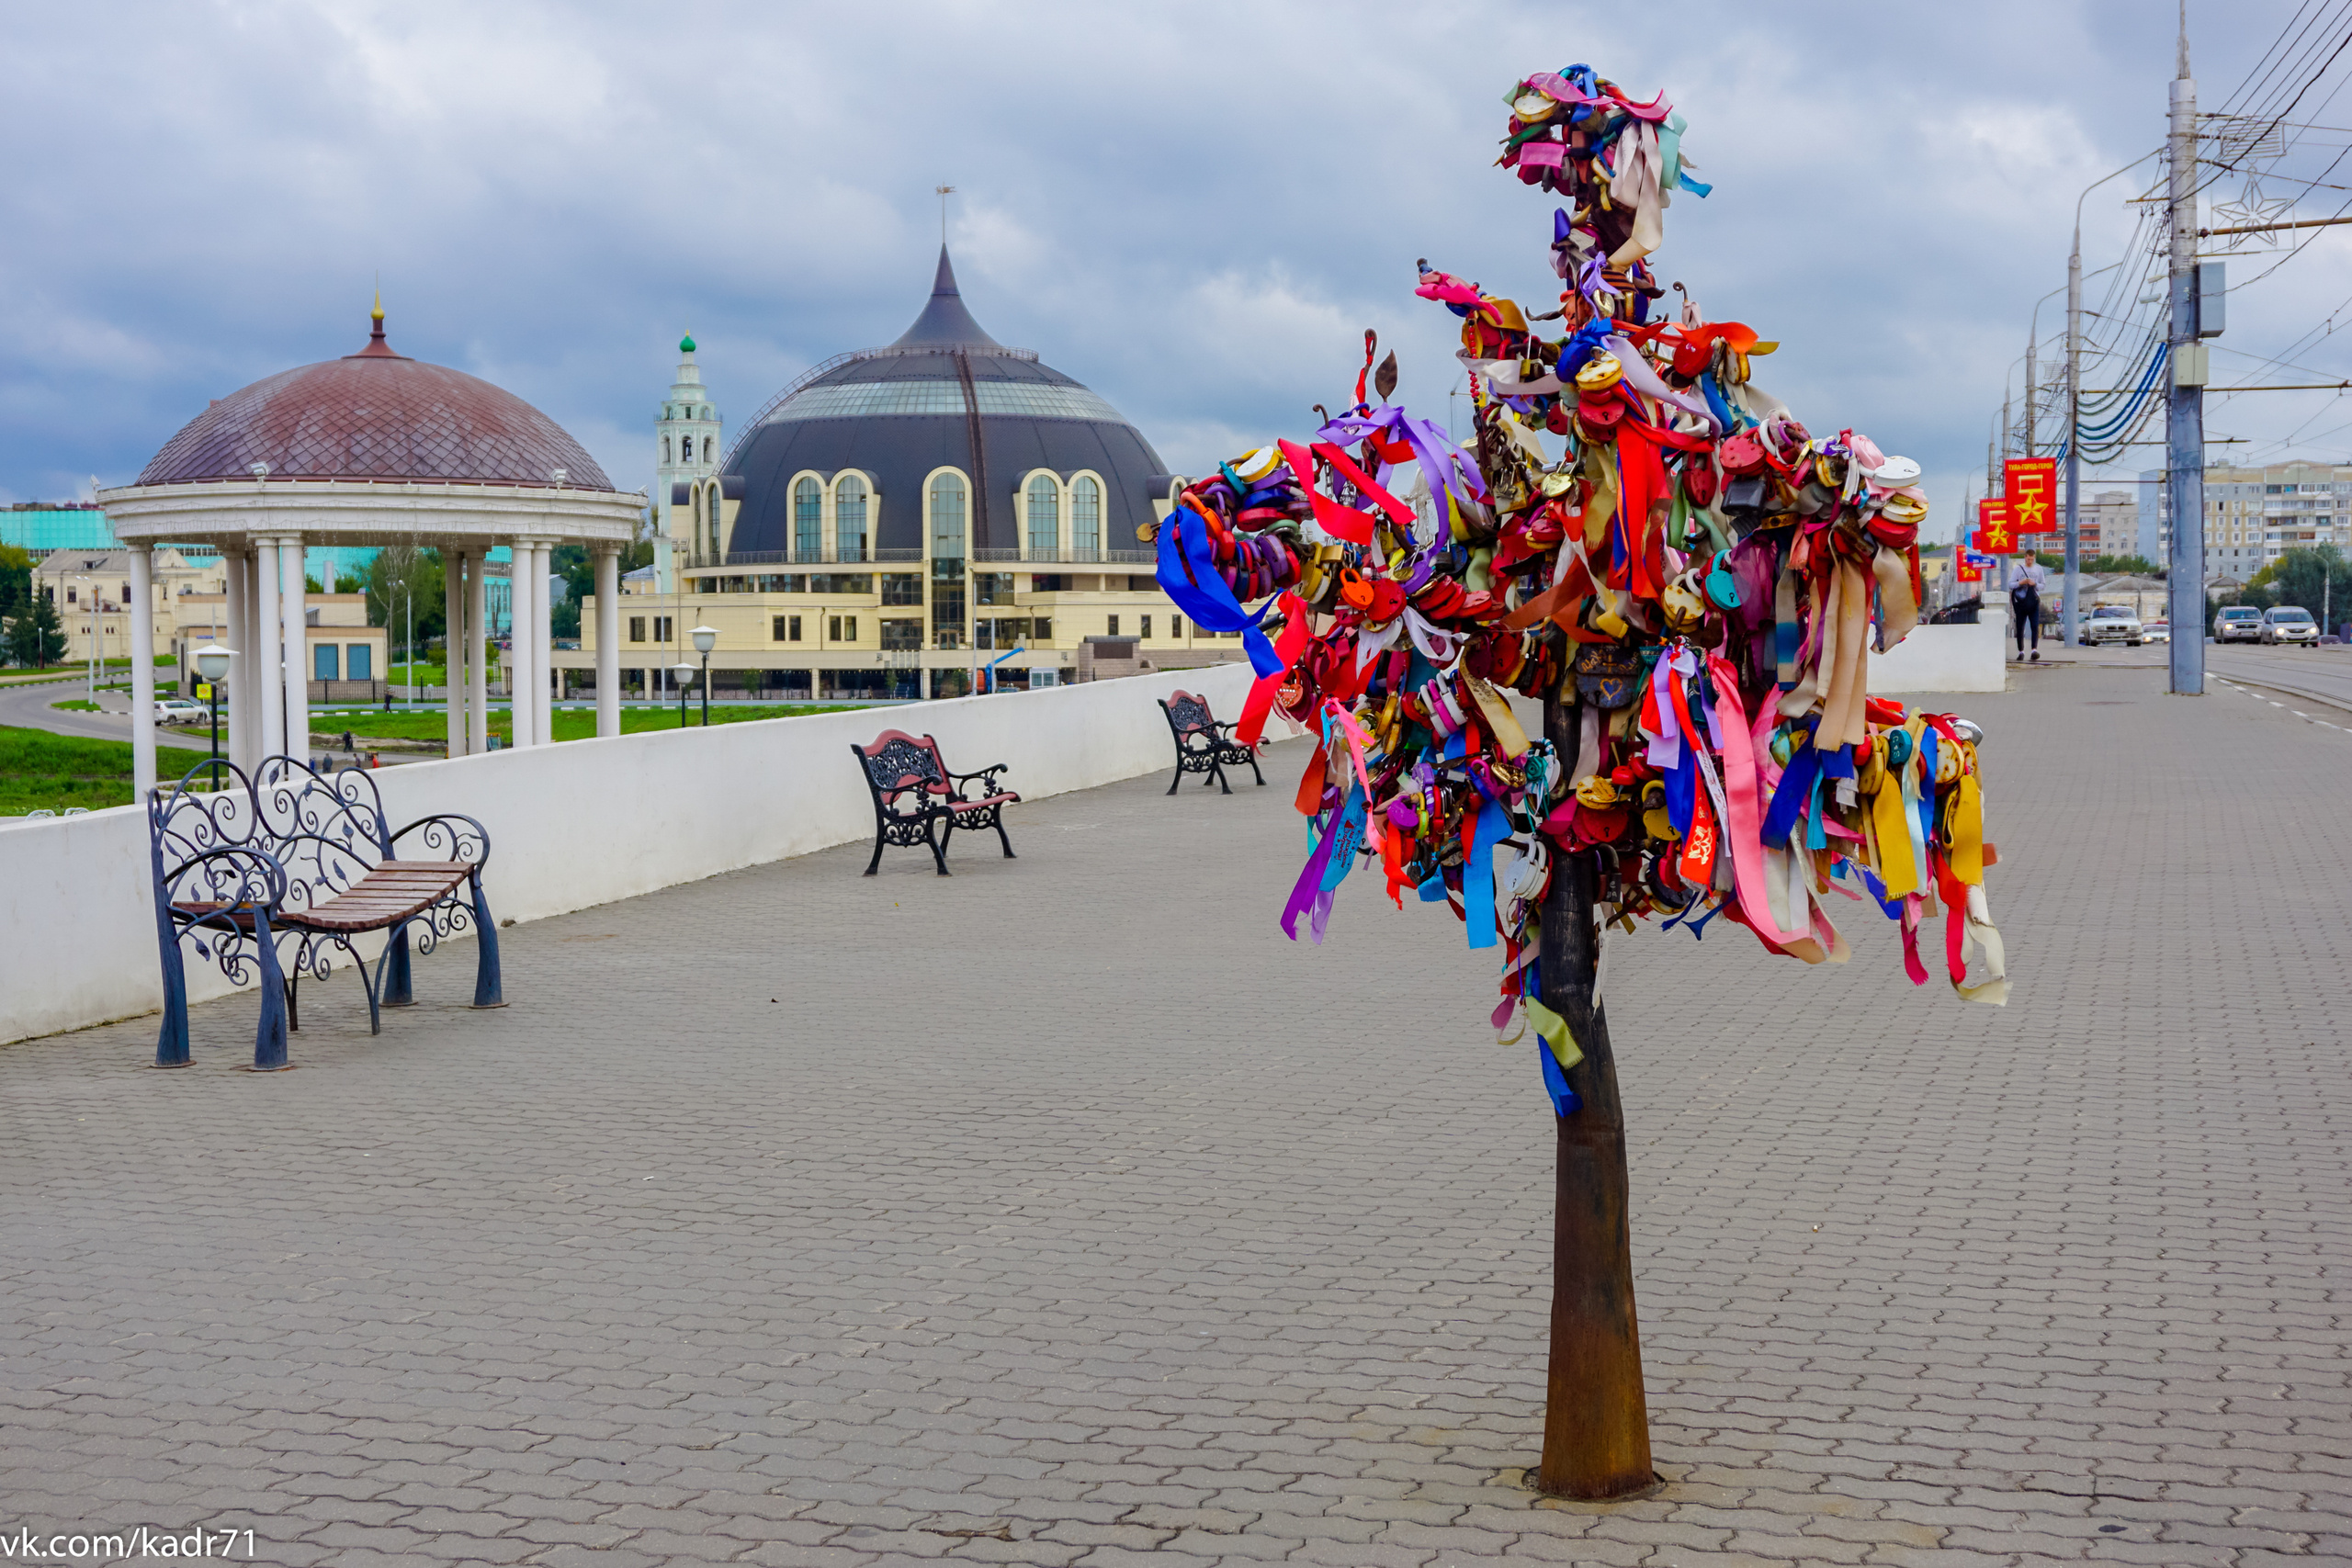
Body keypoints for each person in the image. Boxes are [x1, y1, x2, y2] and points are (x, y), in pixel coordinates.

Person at [2009, 558, 2046, 662]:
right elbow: (2010, 584)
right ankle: (2021, 651)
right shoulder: (2018, 569)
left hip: (2033, 601)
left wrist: (2034, 584)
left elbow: (2043, 585)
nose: (2029, 561)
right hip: (2021, 602)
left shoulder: (2038, 569)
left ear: (2034, 558)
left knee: (2034, 626)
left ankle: (2034, 650)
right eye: (2028, 559)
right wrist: (2021, 583)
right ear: (2025, 558)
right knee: (2020, 627)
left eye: (2031, 559)